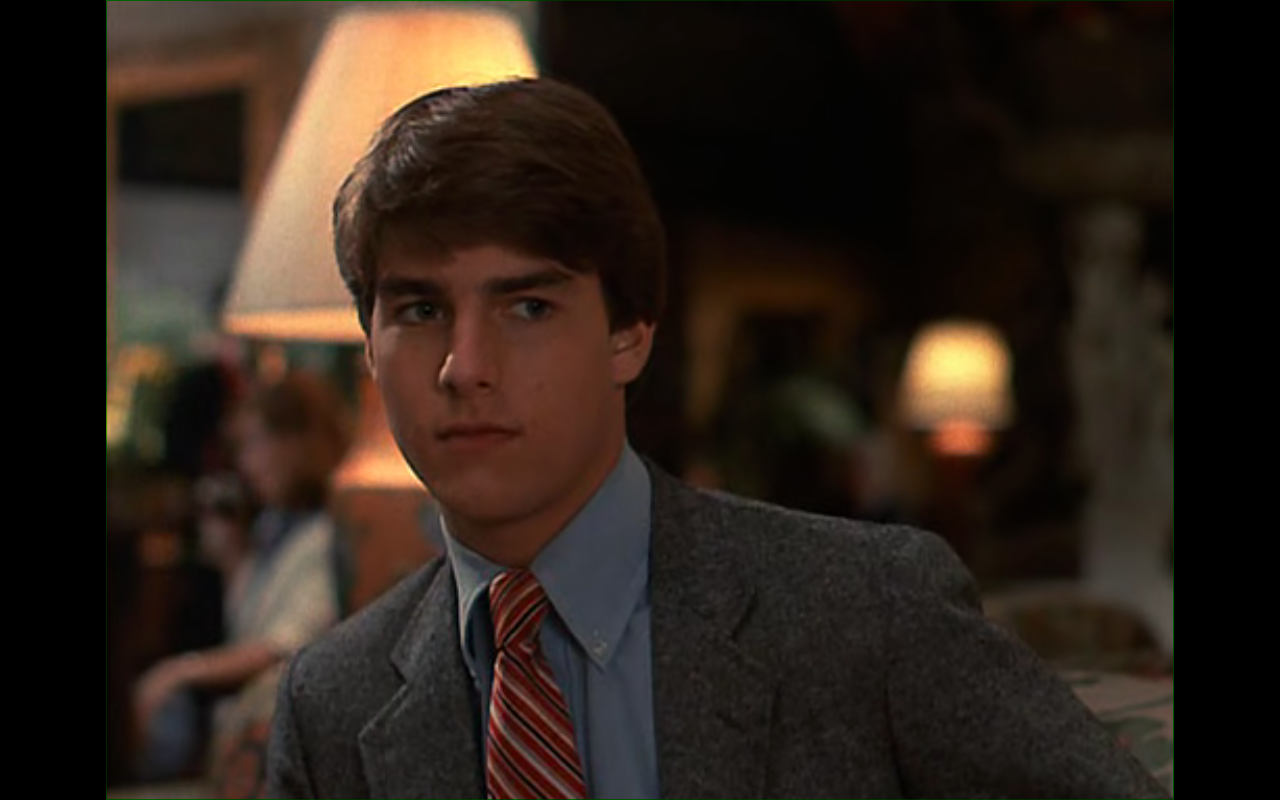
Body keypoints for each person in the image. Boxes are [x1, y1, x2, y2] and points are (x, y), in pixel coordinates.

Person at [266, 78, 1167, 798]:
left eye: (528, 306)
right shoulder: (332, 700)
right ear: (369, 348)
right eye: (420, 311)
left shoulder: (866, 611)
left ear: (630, 334)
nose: (464, 367)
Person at [136, 372, 348, 781]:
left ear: (293, 444)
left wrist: (180, 670)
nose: (246, 463)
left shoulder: (324, 537)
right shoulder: (272, 527)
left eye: (255, 443)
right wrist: (233, 558)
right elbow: (245, 629)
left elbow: (282, 645)